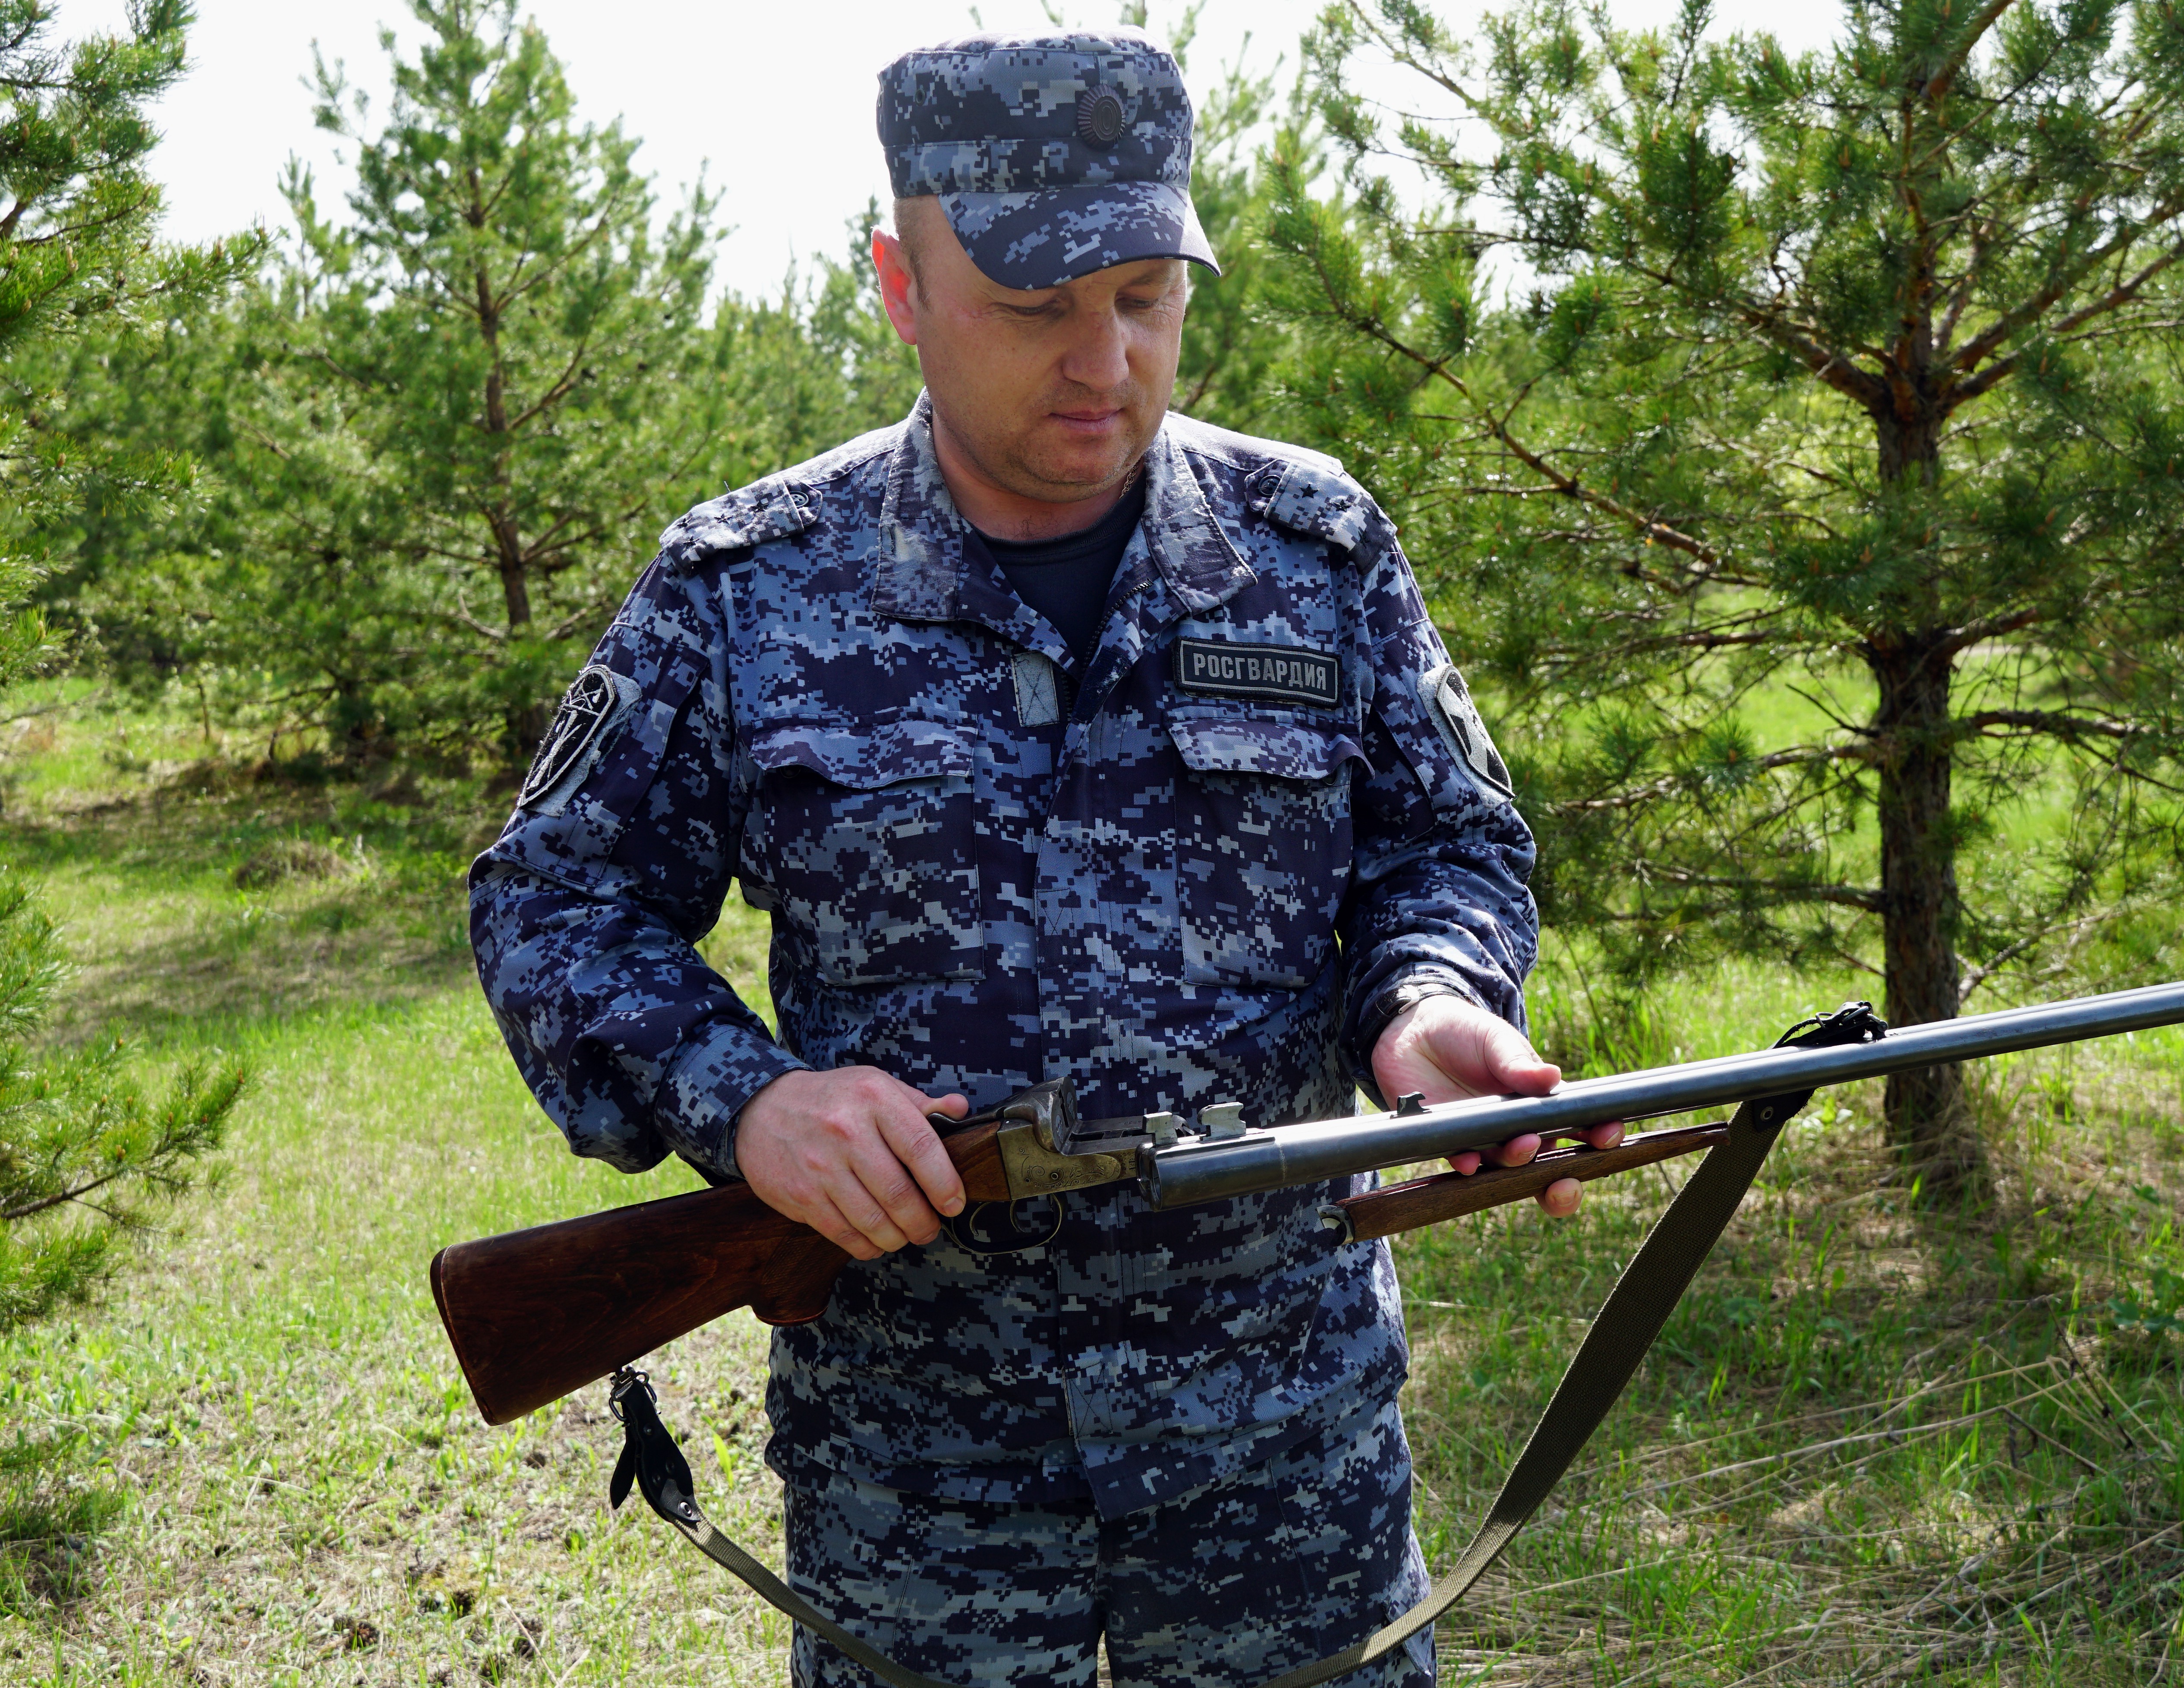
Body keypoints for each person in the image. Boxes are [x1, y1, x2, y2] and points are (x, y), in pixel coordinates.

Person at [469, 27, 1615, 1688]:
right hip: (918, 1465)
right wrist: (748, 1101)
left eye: (1148, 294)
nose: (1107, 359)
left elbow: (1443, 844)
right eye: (1034, 307)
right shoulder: (746, 586)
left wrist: (1426, 1008)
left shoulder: (1313, 551)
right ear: (898, 285)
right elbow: (552, 896)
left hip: (1275, 1438)